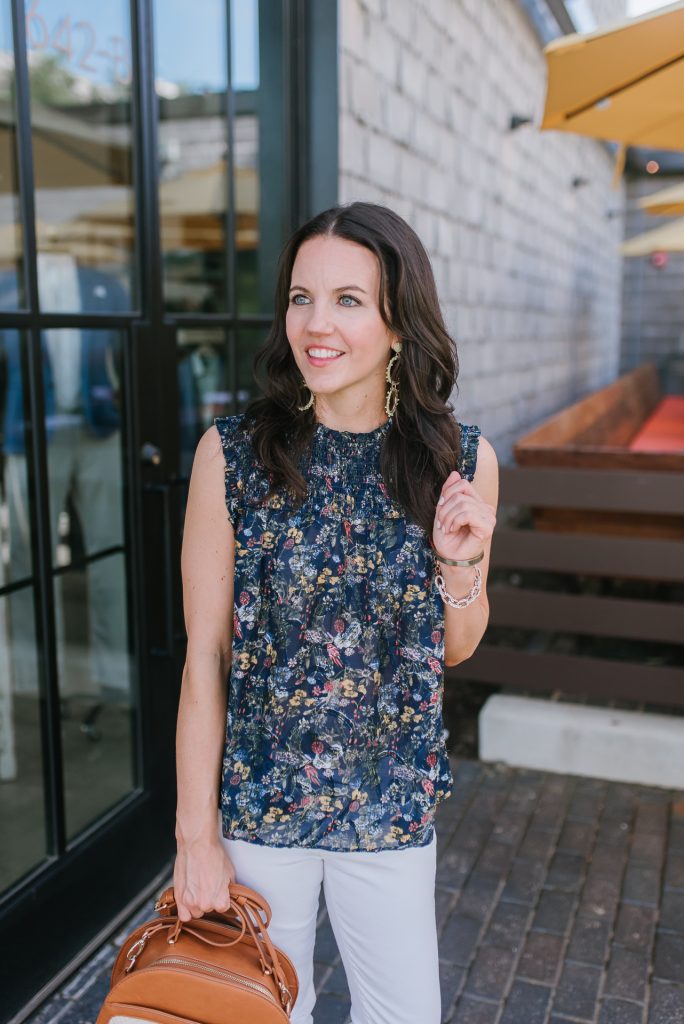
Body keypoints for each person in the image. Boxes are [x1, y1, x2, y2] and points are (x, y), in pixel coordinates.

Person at [173, 202, 498, 1024]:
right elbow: (205, 658)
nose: (315, 325)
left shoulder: (459, 462)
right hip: (259, 812)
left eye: (349, 300)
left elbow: (455, 648)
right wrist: (194, 837)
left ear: (399, 324)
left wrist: (458, 558)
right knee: (260, 1015)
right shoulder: (232, 456)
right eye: (300, 297)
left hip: (389, 812)